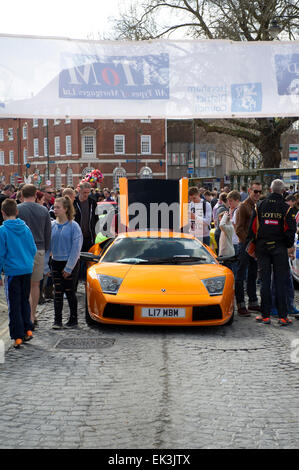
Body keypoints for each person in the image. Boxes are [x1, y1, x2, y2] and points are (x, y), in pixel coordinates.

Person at [247, 179, 296, 326]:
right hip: (279, 248)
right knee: (280, 282)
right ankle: (282, 316)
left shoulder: (260, 205)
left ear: (269, 189)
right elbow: (291, 230)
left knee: (265, 281)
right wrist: (287, 246)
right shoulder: (287, 208)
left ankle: (265, 315)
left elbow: (253, 229)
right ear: (283, 191)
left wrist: (254, 245)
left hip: (262, 247)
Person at [0, 199, 37, 348]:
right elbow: (33, 248)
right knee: (24, 300)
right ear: (17, 211)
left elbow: (1, 254)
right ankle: (28, 329)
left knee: (13, 304)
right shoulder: (26, 228)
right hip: (26, 269)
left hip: (13, 271)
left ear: (3, 213)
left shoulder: (3, 230)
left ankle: (17, 336)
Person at [17, 184, 52, 326]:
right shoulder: (43, 210)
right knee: (35, 285)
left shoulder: (18, 209)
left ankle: (25, 316)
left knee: (23, 284)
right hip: (39, 249)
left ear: (22, 195)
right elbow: (47, 233)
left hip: (21, 250)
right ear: (35, 194)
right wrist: (47, 250)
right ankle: (33, 315)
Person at [47, 196, 83, 329]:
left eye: (58, 207)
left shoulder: (74, 226)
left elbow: (76, 248)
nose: (55, 209)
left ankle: (73, 319)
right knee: (57, 292)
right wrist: (46, 265)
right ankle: (57, 321)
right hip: (56, 262)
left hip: (70, 263)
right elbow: (48, 247)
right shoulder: (52, 225)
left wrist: (69, 268)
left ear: (66, 209)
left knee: (69, 291)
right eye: (54, 207)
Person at [234, 181, 262, 316]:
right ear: (250, 190)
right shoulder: (243, 206)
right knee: (240, 275)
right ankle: (240, 305)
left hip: (254, 245)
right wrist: (248, 244)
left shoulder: (258, 205)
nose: (257, 194)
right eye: (255, 191)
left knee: (252, 274)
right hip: (245, 245)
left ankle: (253, 302)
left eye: (260, 192)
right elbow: (238, 229)